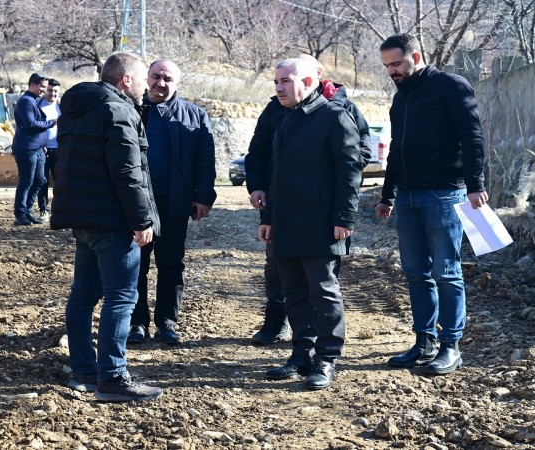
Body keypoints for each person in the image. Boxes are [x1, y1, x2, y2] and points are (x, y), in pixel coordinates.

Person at [50, 52, 163, 402]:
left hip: (83, 219)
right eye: (143, 79)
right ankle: (112, 376)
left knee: (82, 296)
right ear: (126, 80)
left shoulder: (76, 108)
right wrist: (142, 220)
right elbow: (129, 173)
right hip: (113, 222)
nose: (146, 87)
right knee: (121, 296)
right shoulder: (118, 110)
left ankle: (84, 370)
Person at [377, 33, 487, 375]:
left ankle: (450, 346)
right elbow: (396, 149)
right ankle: (424, 342)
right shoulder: (401, 98)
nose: (392, 71)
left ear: (417, 56)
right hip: (408, 197)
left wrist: (475, 185)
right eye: (386, 66)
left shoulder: (450, 86)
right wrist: (388, 194)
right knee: (415, 273)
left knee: (447, 272)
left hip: (445, 193)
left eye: (396, 63)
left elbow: (473, 136)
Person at [245, 54, 371, 345]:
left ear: (311, 80)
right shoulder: (281, 115)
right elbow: (270, 165)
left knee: (322, 290)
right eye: (275, 81)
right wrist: (266, 213)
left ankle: (326, 357)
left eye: (285, 81)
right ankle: (301, 353)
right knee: (292, 289)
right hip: (285, 219)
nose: (278, 88)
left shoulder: (337, 114)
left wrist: (343, 217)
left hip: (321, 220)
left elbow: (350, 169)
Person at [127, 60, 217, 346]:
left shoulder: (195, 116)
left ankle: (166, 321)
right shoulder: (130, 110)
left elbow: (206, 160)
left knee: (171, 264)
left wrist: (204, 196)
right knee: (135, 265)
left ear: (177, 83)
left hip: (175, 203)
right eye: (155, 77)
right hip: (136, 204)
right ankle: (136, 322)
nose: (160, 83)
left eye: (167, 79)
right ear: (146, 78)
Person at [12, 73, 56, 226]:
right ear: (32, 85)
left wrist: (42, 145)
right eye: (42, 86)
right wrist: (52, 122)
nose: (44, 90)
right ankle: (20, 213)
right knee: (26, 181)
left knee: (39, 180)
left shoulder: (33, 100)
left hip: (37, 148)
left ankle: (27, 211)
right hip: (26, 148)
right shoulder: (26, 101)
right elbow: (31, 123)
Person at [38, 78, 62, 217]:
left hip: (59, 149)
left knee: (59, 181)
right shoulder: (38, 105)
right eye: (50, 90)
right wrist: (40, 144)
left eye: (55, 91)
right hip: (43, 149)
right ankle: (43, 209)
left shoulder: (62, 107)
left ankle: (59, 208)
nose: (52, 93)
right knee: (43, 180)